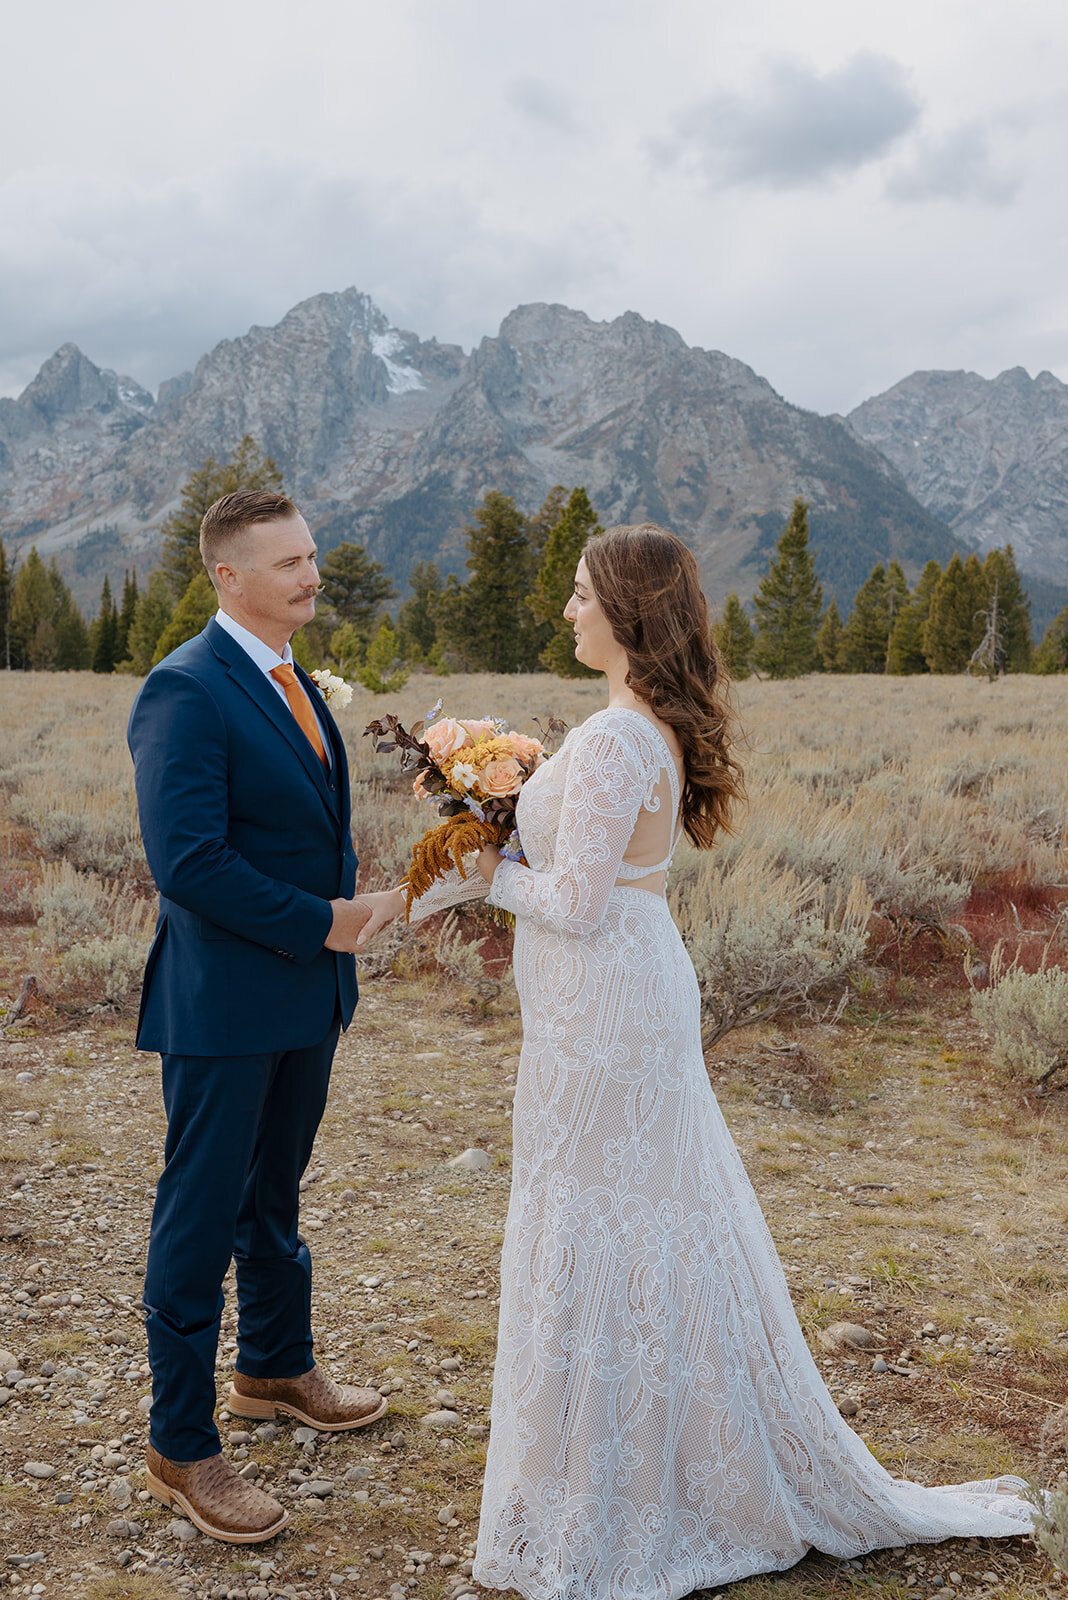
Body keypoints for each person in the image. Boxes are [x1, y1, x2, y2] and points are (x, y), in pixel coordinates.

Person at [469, 524, 1034, 1600]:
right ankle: (636, 1464)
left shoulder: (614, 740)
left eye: (583, 594)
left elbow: (574, 904)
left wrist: (481, 867)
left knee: (603, 1213)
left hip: (608, 1005)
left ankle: (622, 1491)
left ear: (628, 612)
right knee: (630, 1212)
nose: (567, 610)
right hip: (620, 990)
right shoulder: (635, 729)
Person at [128, 489, 403, 1544]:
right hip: (226, 1001)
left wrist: (342, 919)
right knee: (199, 1217)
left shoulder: (290, 681)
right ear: (227, 576)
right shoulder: (186, 690)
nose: (311, 575)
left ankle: (276, 1368)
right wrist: (327, 921)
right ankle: (181, 1444)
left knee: (274, 1193)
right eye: (287, 561)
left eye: (313, 556)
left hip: (304, 993)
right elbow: (188, 861)